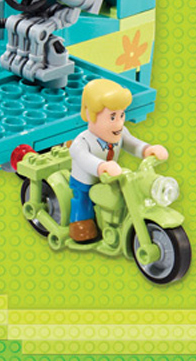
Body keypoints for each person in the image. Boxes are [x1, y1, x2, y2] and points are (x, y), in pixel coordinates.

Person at [68, 79, 168, 242]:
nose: (119, 123)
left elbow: (132, 143)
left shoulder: (121, 132)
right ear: (90, 115)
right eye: (112, 117)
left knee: (123, 195)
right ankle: (79, 221)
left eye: (122, 115)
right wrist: (101, 166)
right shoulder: (82, 142)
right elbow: (84, 158)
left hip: (110, 176)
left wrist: (147, 150)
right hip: (86, 179)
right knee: (83, 199)